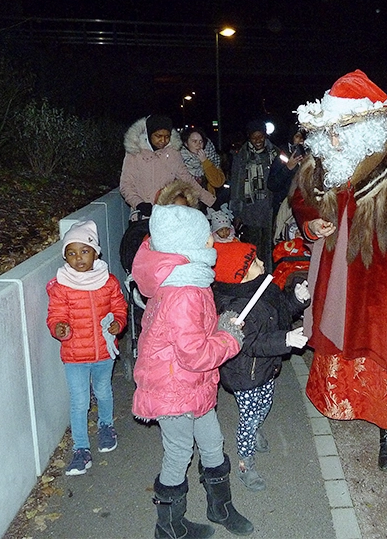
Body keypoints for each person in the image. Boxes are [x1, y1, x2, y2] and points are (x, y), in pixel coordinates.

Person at [290, 69, 387, 472]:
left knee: (384, 343)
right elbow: (301, 198)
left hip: (386, 274)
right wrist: (312, 223)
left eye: (345, 128)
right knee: (337, 330)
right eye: (331, 130)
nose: (336, 138)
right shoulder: (321, 162)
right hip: (337, 268)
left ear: (369, 124)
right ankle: (340, 402)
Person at [131, 204, 253, 538]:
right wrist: (230, 339)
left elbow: (193, 334)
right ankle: (169, 526)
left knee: (213, 442)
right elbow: (194, 353)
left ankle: (220, 507)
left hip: (190, 385)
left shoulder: (185, 279)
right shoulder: (183, 291)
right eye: (205, 238)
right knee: (179, 453)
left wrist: (220, 325)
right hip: (174, 389)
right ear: (187, 246)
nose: (212, 241)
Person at [211, 241, 309, 491]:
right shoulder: (235, 308)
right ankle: (245, 461)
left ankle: (255, 430)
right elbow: (249, 344)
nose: (262, 264)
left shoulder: (261, 288)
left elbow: (280, 311)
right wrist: (284, 340)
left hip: (265, 367)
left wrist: (296, 300)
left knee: (265, 404)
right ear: (239, 275)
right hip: (245, 373)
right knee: (249, 417)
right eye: (254, 262)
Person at [46, 220, 128, 476]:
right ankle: (81, 449)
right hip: (74, 355)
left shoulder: (108, 281)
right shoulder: (61, 285)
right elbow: (55, 314)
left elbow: (119, 308)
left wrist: (118, 323)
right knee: (79, 401)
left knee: (103, 391)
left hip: (104, 352)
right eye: (71, 252)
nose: (78, 258)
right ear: (65, 257)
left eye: (84, 251)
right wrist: (58, 327)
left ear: (96, 252)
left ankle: (106, 426)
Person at [119, 115, 215, 221]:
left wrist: (210, 201)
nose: (163, 140)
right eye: (158, 136)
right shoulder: (134, 153)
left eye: (167, 136)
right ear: (149, 133)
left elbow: (188, 180)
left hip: (168, 215)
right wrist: (139, 203)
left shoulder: (173, 153)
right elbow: (126, 185)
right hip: (142, 216)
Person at [229, 119, 279, 271]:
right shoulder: (242, 156)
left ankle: (269, 278)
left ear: (265, 135)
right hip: (250, 210)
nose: (258, 140)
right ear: (249, 137)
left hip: (271, 209)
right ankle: (253, 278)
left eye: (260, 136)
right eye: (254, 137)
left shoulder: (276, 153)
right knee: (253, 247)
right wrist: (237, 212)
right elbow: (236, 184)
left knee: (270, 247)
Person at [267, 126, 307, 225]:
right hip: (286, 208)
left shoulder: (312, 156)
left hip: (305, 207)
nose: (301, 140)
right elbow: (272, 185)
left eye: (304, 137)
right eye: (298, 136)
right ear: (292, 138)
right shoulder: (283, 155)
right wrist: (288, 168)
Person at [177, 127, 226, 197]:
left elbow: (218, 183)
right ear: (186, 143)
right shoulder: (179, 158)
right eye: (194, 141)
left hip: (207, 202)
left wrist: (205, 161)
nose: (198, 145)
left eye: (201, 141)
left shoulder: (210, 156)